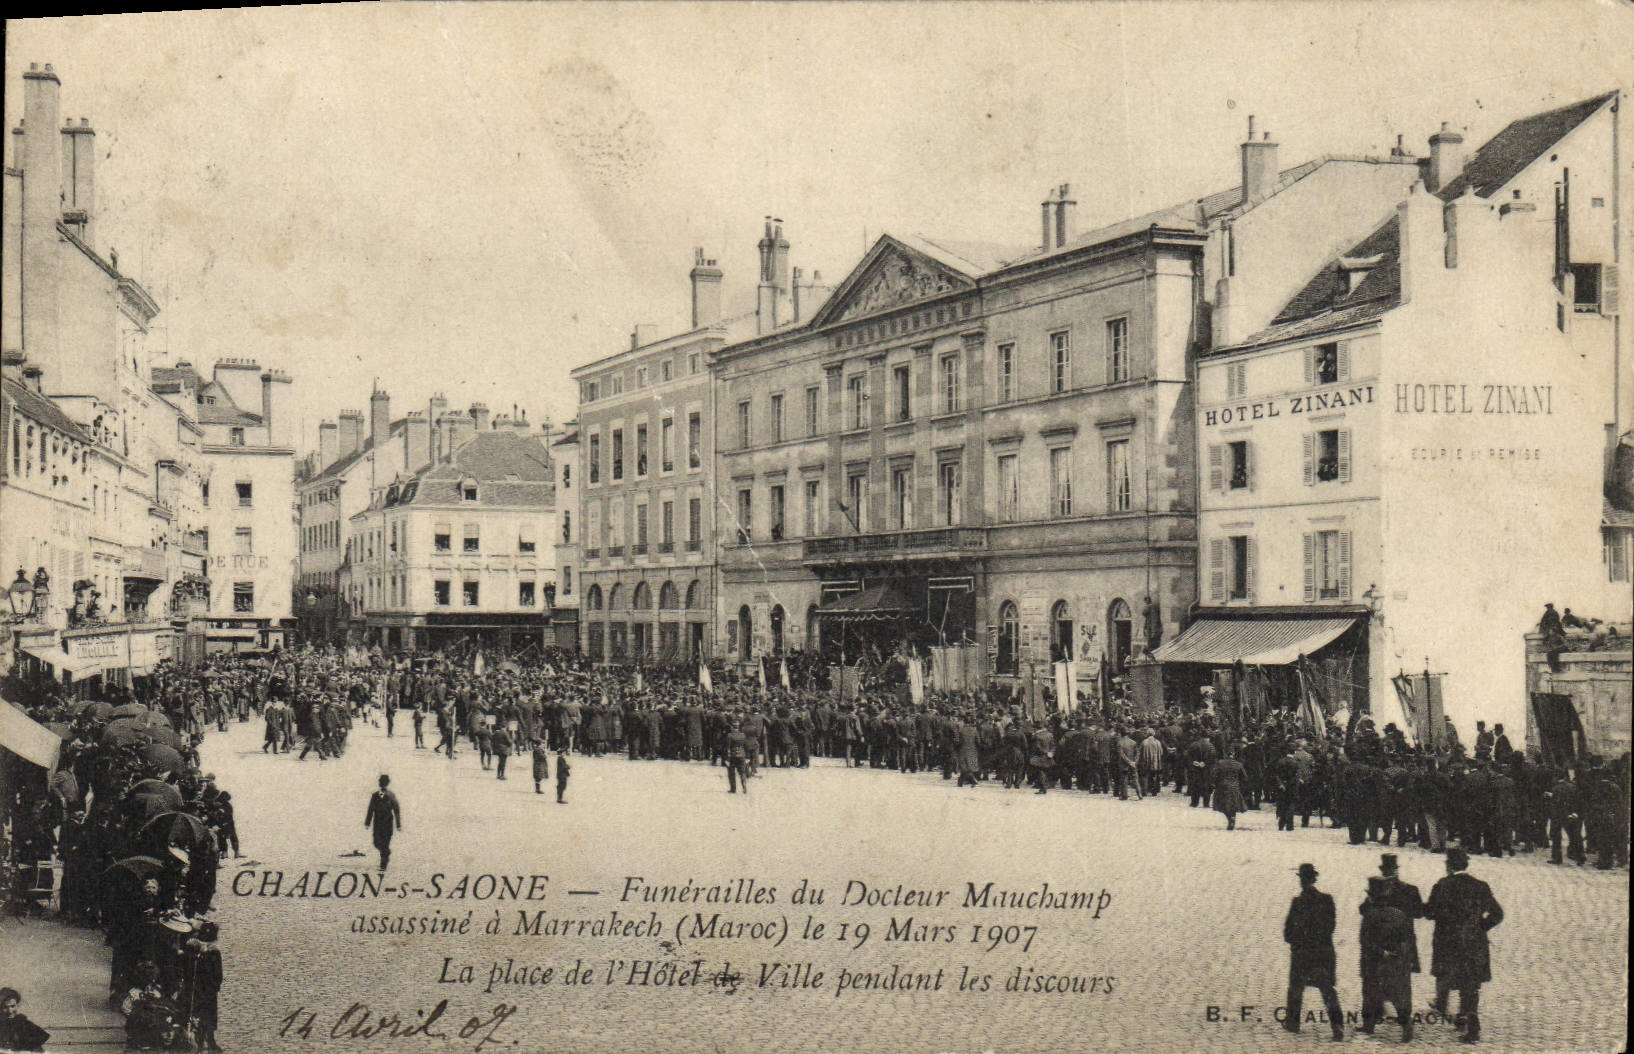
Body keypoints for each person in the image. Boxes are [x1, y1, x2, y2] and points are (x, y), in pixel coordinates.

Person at [1426, 847, 1503, 1043]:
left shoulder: (1442, 886)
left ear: (1449, 866)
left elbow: (1429, 912)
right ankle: (1470, 1024)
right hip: (1472, 942)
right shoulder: (1481, 886)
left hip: (1447, 942)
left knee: (1447, 975)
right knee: (1470, 984)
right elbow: (1497, 914)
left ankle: (1447, 1008)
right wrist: (1480, 928)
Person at [1282, 863, 1346, 1041]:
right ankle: (1337, 1025)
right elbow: (1330, 926)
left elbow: (1288, 932)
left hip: (1302, 953)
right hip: (1323, 952)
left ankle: (1293, 1023)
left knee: (1296, 988)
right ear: (1314, 879)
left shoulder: (1298, 902)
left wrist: (1296, 942)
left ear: (1301, 881)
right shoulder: (1327, 900)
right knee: (1327, 990)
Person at [1358, 876, 1415, 1041]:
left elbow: (1365, 941)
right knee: (1398, 994)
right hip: (1396, 962)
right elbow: (1407, 939)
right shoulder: (1400, 914)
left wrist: (1381, 952)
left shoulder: (1369, 916)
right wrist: (1397, 954)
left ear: (1371, 896)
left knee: (1370, 992)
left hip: (1374, 962)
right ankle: (1406, 1026)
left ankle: (1368, 1025)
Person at [364, 774, 403, 871]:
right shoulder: (375, 795)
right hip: (377, 823)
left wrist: (398, 824)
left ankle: (383, 863)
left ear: (386, 783)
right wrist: (367, 822)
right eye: (380, 782)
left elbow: (396, 809)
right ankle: (386, 853)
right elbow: (371, 809)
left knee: (385, 843)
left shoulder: (391, 795)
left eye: (383, 782)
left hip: (387, 823)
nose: (381, 784)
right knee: (376, 842)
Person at [0, 988, 50, 1052]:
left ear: (17, 1005)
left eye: (13, 1006)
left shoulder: (25, 1024)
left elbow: (38, 1048)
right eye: (5, 1007)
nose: (10, 1011)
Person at [1212, 748, 1246, 830]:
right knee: (1233, 805)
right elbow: (1244, 777)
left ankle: (1230, 818)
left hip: (1222, 786)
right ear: (1233, 754)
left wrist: (1215, 784)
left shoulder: (1220, 763)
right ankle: (1232, 818)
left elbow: (1214, 775)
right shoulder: (1239, 764)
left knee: (1222, 805)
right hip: (1234, 787)